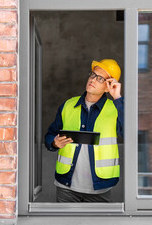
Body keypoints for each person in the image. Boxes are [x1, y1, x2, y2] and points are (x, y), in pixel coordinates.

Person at [45, 59, 124, 202]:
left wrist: (117, 97)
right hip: (66, 186)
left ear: (108, 86)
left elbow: (130, 133)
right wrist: (55, 143)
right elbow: (49, 135)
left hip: (100, 187)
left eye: (100, 78)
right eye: (93, 75)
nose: (93, 79)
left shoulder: (116, 109)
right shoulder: (68, 105)